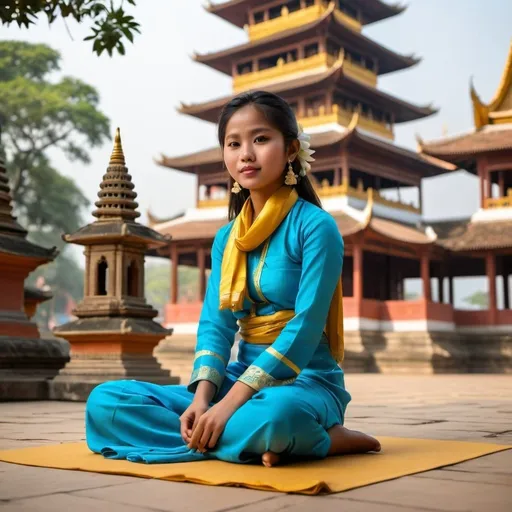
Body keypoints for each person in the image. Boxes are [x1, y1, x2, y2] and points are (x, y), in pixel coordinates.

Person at [85, 91, 380, 467]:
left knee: (276, 416)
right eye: (233, 143)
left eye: (260, 139)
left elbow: (306, 329)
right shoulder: (226, 239)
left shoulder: (317, 228)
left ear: (291, 149)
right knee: (107, 402)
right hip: (237, 378)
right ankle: (259, 442)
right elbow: (216, 324)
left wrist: (228, 406)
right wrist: (203, 400)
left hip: (305, 381)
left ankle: (320, 438)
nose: (246, 154)